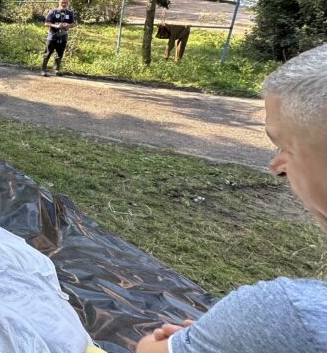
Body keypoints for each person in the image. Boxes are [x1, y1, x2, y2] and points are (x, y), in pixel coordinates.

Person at [136, 43, 327, 353]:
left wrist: (226, 334)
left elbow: (149, 349)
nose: (276, 167)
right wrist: (221, 338)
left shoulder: (290, 317)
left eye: (285, 147)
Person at [41, 0, 76, 77]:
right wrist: (56, 26)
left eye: (66, 2)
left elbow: (73, 24)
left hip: (63, 36)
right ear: (59, 2)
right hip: (52, 36)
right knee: (48, 53)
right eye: (62, 2)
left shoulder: (70, 13)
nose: (64, 4)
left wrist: (68, 26)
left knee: (59, 53)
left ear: (68, 3)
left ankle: (56, 70)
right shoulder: (53, 12)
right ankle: (43, 70)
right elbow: (46, 23)